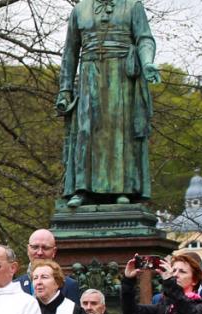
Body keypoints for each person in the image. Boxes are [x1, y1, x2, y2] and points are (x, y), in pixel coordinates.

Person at [56, 0, 160, 207]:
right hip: (89, 75)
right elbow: (70, 52)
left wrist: (147, 62)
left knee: (119, 131)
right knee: (86, 132)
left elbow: (145, 39)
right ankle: (82, 189)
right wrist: (65, 89)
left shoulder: (132, 6)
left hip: (121, 75)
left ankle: (123, 189)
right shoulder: (79, 10)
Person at [15, 230, 80, 302]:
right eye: (35, 247)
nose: (39, 252)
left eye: (45, 248)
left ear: (54, 252)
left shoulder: (69, 286)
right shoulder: (16, 286)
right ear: (28, 250)